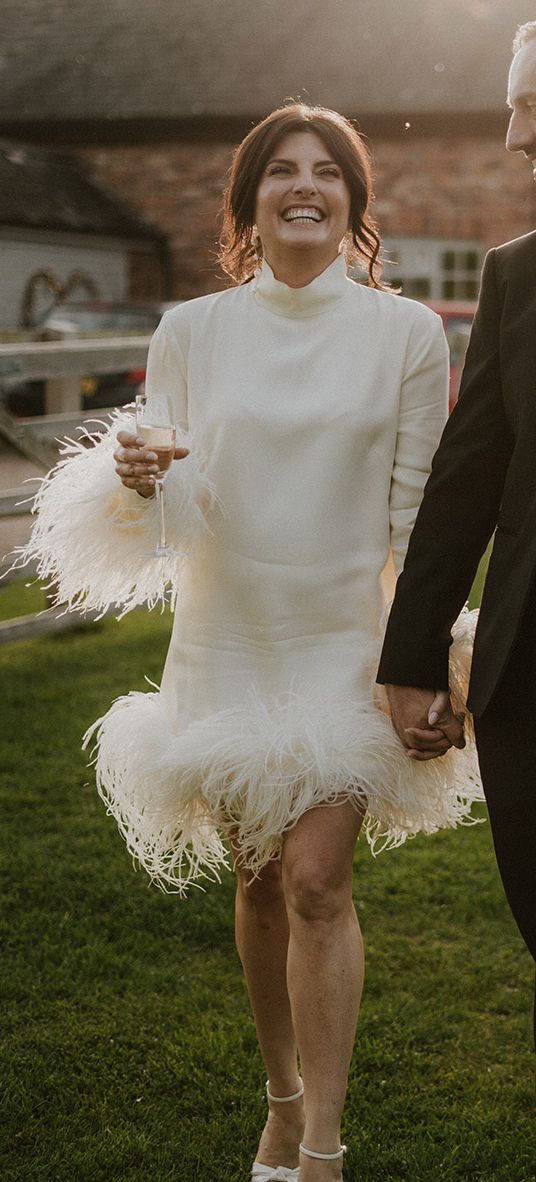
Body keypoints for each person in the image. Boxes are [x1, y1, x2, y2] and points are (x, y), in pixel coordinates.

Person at [19, 104, 481, 1181]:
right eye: (281, 170)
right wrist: (133, 478)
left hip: (344, 641)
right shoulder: (191, 330)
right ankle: (280, 1101)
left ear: (354, 204)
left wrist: (419, 656)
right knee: (261, 878)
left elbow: (417, 514)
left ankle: (321, 1147)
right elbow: (163, 499)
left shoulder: (406, 334)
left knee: (318, 880)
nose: (304, 186)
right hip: (227, 640)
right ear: (249, 200)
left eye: (328, 172)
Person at [377, 22, 536, 1037]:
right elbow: (464, 482)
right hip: (531, 684)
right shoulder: (515, 275)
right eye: (516, 108)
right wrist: (412, 659)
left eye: (534, 108)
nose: (516, 137)